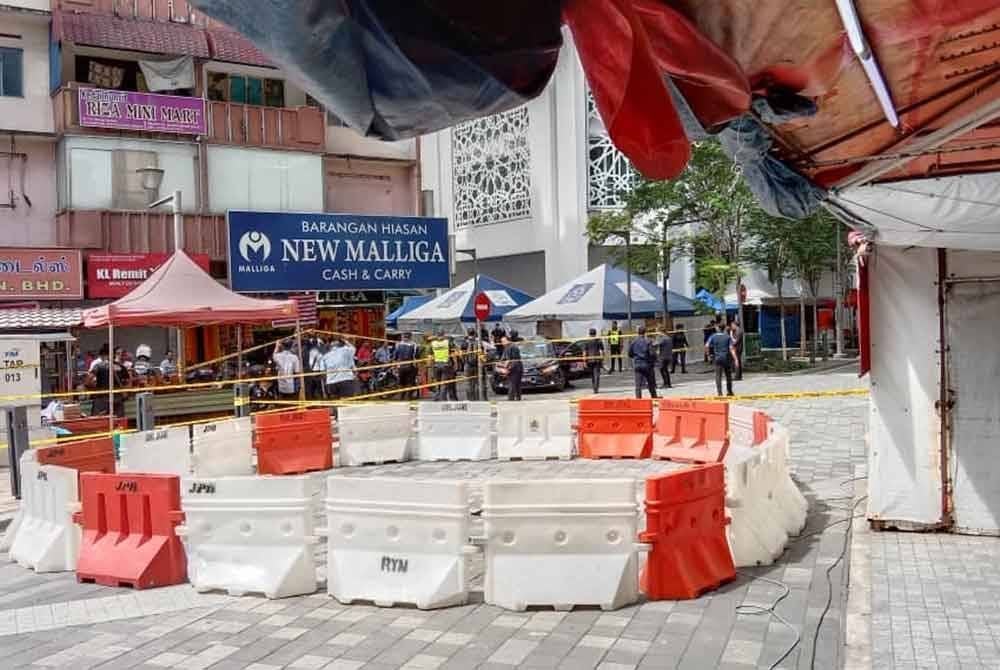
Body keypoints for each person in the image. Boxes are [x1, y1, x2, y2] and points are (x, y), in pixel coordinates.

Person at [706, 323, 738, 397]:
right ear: (724, 329)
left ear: (718, 328)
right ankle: (729, 391)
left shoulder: (713, 336)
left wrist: (708, 355)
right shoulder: (727, 337)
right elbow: (731, 348)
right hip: (726, 358)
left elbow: (707, 345)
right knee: (728, 375)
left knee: (718, 376)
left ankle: (719, 393)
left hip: (717, 358)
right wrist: (735, 359)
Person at [628, 326, 658, 399]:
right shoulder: (648, 341)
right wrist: (654, 361)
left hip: (638, 364)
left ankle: (638, 401)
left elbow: (629, 354)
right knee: (651, 384)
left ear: (637, 332)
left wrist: (636, 357)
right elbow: (652, 354)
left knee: (638, 385)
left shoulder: (633, 342)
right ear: (645, 333)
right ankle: (654, 398)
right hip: (647, 364)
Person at [430, 329, 457, 401]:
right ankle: (443, 399)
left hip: (436, 365)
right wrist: (455, 364)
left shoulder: (433, 343)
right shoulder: (448, 342)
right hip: (446, 364)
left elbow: (430, 356)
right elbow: (453, 354)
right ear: (444, 334)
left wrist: (431, 366)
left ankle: (437, 397)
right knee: (444, 383)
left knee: (438, 383)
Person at [394, 332, 419, 399]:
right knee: (410, 381)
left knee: (401, 381)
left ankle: (401, 396)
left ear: (403, 336)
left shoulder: (398, 344)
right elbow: (416, 356)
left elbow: (395, 356)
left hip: (401, 366)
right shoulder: (414, 345)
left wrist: (395, 364)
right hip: (410, 365)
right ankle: (408, 396)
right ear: (410, 337)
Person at [500, 335, 523, 400]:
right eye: (501, 341)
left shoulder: (509, 347)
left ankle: (511, 399)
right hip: (518, 366)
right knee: (517, 384)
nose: (502, 343)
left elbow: (509, 359)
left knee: (512, 384)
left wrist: (506, 368)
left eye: (503, 341)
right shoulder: (512, 346)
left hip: (514, 367)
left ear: (508, 340)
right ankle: (518, 398)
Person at [461, 328, 481, 401]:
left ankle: (469, 399)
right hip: (476, 365)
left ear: (468, 333)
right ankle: (477, 399)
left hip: (467, 364)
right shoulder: (478, 342)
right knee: (476, 382)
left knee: (468, 383)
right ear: (474, 333)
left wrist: (464, 362)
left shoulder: (464, 342)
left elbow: (462, 354)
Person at [583, 327, 605, 394]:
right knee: (597, 375)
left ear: (589, 334)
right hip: (597, 360)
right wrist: (602, 359)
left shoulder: (586, 341)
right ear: (595, 333)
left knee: (592, 375)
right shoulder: (599, 341)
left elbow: (584, 352)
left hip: (589, 360)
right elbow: (601, 351)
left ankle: (594, 388)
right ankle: (596, 388)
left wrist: (584, 361)